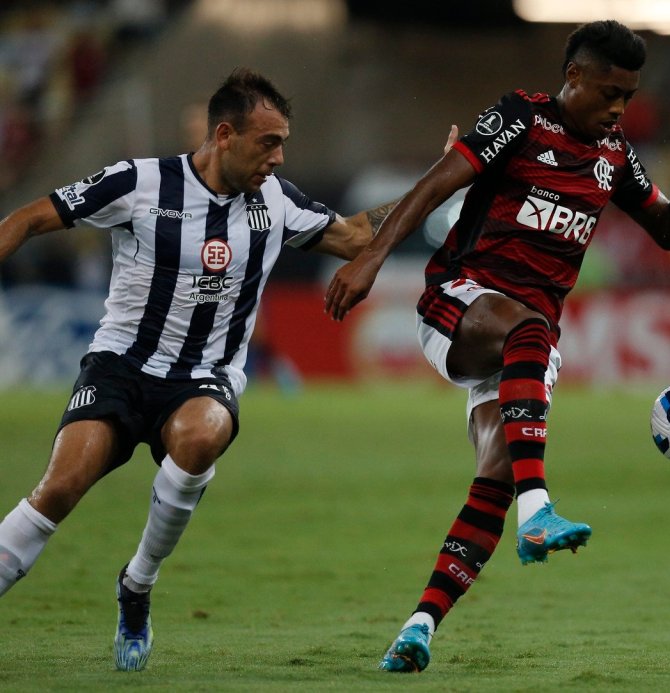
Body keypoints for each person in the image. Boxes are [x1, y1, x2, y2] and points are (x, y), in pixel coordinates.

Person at [324, 20, 670, 673]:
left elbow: (669, 231)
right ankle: (540, 508)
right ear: (573, 76)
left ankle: (418, 627)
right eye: (609, 92)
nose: (618, 109)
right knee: (528, 331)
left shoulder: (613, 154)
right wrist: (373, 259)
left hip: (527, 339)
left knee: (495, 470)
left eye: (628, 97)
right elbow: (436, 184)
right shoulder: (520, 117)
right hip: (461, 302)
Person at [0, 68, 440, 671]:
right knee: (59, 489)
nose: (279, 158)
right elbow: (26, 219)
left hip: (204, 377)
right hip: (119, 369)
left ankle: (137, 585)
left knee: (202, 433)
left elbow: (357, 235)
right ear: (225, 135)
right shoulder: (139, 181)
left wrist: (438, 184)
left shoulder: (276, 202)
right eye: (268, 142)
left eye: (283, 143)